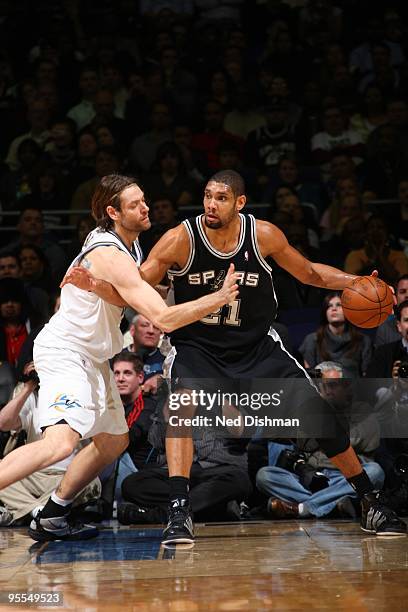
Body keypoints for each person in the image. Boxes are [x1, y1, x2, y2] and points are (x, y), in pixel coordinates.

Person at [65, 170, 407, 544]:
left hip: (256, 347)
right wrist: (97, 285)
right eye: (208, 196)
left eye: (221, 198)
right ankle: (179, 511)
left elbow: (309, 274)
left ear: (240, 203)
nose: (211, 204)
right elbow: (134, 288)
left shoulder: (262, 235)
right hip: (199, 349)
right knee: (181, 406)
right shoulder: (180, 239)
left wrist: (354, 283)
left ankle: (370, 500)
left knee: (316, 413)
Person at [0, 173, 238, 542]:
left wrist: (97, 286)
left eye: (144, 200)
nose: (145, 207)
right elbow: (162, 317)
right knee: (59, 444)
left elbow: (126, 293)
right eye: (134, 204)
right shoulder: (109, 253)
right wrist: (218, 298)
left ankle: (52, 513)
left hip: (93, 357)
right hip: (67, 352)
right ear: (112, 212)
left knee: (114, 441)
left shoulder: (128, 246)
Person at [256, 362, 384, 520]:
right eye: (321, 386)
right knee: (265, 476)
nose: (327, 391)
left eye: (332, 386)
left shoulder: (361, 410)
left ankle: (303, 508)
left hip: (346, 478)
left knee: (375, 472)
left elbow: (349, 441)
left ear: (346, 387)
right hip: (313, 479)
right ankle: (333, 504)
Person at [299, 291, 372, 378]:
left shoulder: (363, 340)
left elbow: (367, 376)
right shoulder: (312, 340)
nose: (334, 309)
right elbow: (309, 376)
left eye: (339, 305)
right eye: (329, 306)